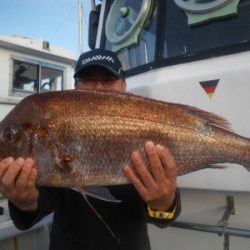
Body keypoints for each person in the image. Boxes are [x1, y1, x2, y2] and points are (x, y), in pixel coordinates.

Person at [0, 49, 181, 250]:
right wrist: (24, 202)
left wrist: (163, 203)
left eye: (108, 78)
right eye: (88, 79)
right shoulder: (58, 128)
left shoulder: (145, 124)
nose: (97, 87)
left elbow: (162, 218)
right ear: (75, 87)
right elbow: (34, 210)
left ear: (123, 85)